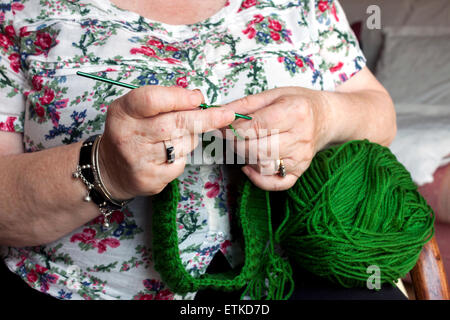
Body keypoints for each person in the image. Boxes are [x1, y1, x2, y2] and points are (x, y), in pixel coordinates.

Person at [0, 0, 399, 300]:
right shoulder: (19, 11)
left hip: (291, 276)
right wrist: (105, 169)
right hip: (81, 290)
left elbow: (380, 116)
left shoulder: (306, 3)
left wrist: (323, 115)